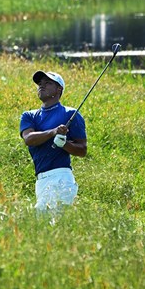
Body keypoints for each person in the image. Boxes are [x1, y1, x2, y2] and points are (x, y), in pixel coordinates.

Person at [20, 71, 87, 212]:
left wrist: (64, 144)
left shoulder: (70, 114)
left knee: (46, 221)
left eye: (48, 83)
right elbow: (29, 139)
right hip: (41, 180)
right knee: (47, 225)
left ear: (59, 90)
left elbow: (82, 150)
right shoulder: (29, 116)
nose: (41, 86)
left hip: (62, 176)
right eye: (40, 84)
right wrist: (54, 132)